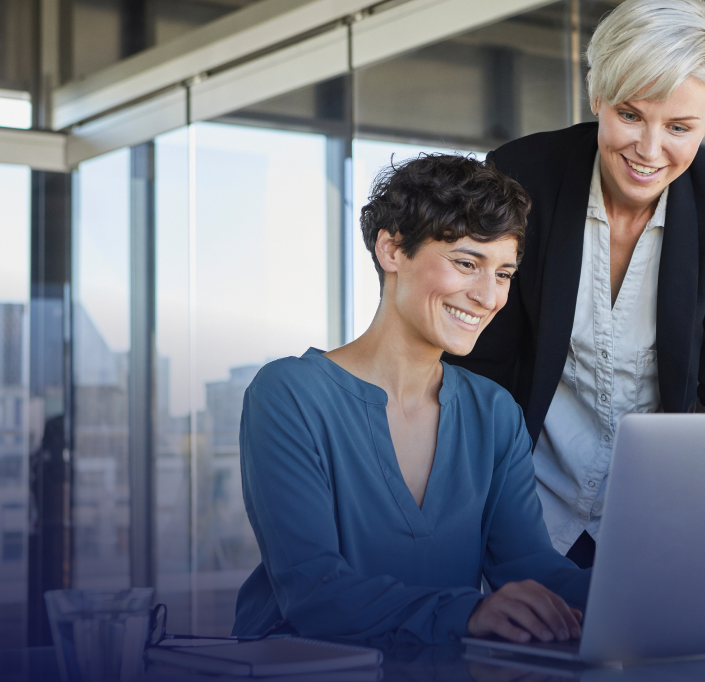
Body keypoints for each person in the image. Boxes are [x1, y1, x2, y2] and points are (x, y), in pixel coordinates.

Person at [449, 0, 705, 567]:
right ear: (597, 95)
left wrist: (696, 496)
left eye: (680, 126)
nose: (649, 151)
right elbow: (479, 367)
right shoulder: (520, 177)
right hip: (524, 505)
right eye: (630, 115)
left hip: (663, 519)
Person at [233, 155, 587, 646]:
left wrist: (638, 594)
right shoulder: (290, 395)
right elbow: (314, 590)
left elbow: (528, 568)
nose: (489, 296)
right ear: (392, 249)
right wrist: (470, 613)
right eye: (467, 263)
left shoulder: (493, 412)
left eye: (504, 273)